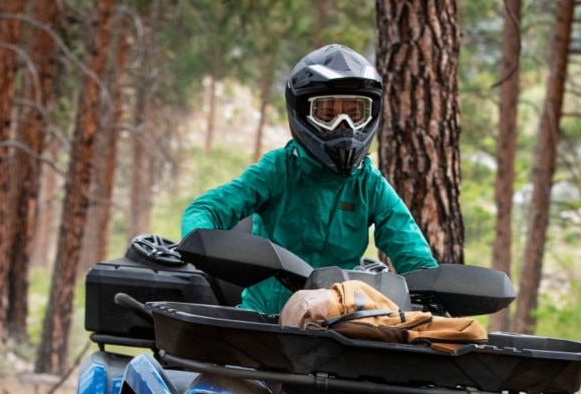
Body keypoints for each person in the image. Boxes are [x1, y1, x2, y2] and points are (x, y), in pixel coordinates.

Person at [181, 44, 437, 315]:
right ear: (302, 112)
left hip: (337, 322)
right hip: (264, 320)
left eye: (354, 114)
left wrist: (434, 296)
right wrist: (200, 244)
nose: (344, 126)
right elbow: (206, 209)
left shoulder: (369, 184)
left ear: (370, 114)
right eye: (328, 114)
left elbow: (414, 257)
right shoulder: (278, 170)